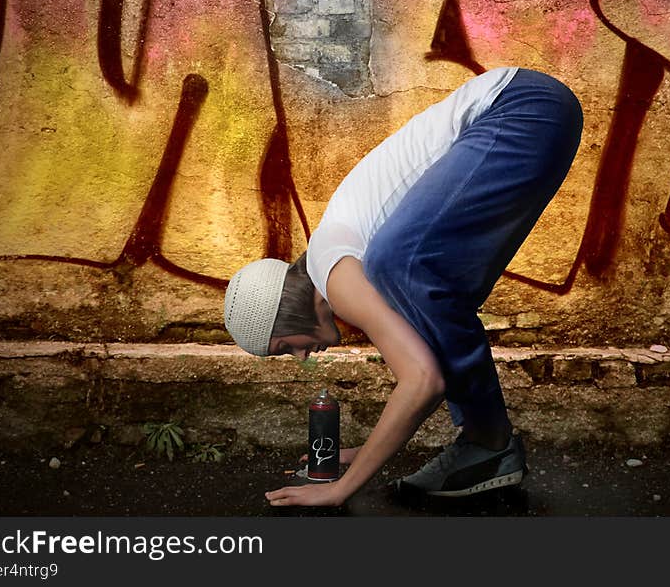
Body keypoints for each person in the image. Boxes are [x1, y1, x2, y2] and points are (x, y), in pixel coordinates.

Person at [223, 66, 583, 507]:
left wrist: (339, 491)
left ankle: (489, 441)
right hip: (539, 111)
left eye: (285, 346)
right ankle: (485, 446)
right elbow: (425, 366)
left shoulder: (334, 275)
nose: (300, 356)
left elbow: (422, 382)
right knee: (427, 304)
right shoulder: (338, 253)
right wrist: (358, 456)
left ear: (287, 312)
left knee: (399, 263)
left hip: (520, 108)